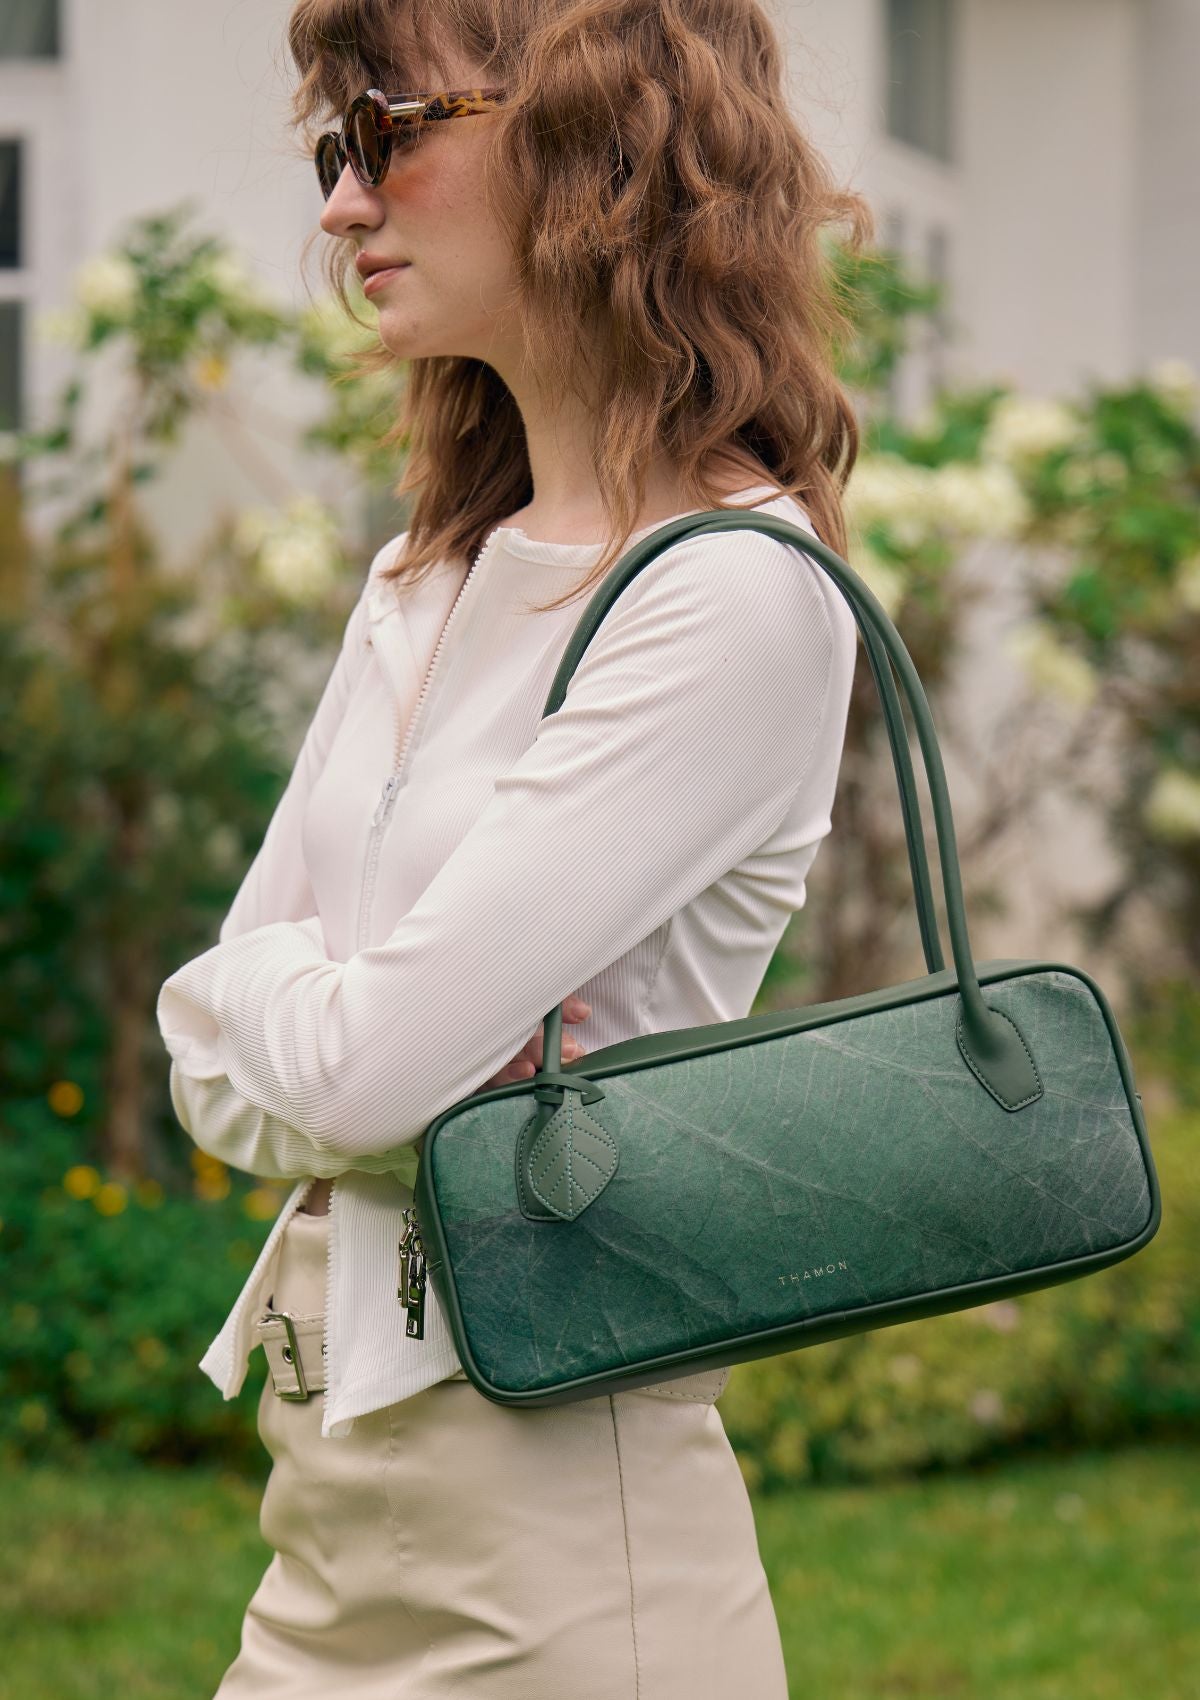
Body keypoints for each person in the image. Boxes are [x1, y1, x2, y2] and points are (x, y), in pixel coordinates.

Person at [156, 0, 874, 1693]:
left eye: (389, 129)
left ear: (594, 141)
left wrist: (296, 1008)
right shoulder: (426, 577)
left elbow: (348, 1082)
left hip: (563, 1563)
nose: (342, 204)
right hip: (321, 1525)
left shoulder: (732, 594)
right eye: (338, 151)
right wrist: (311, 1023)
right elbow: (212, 1054)